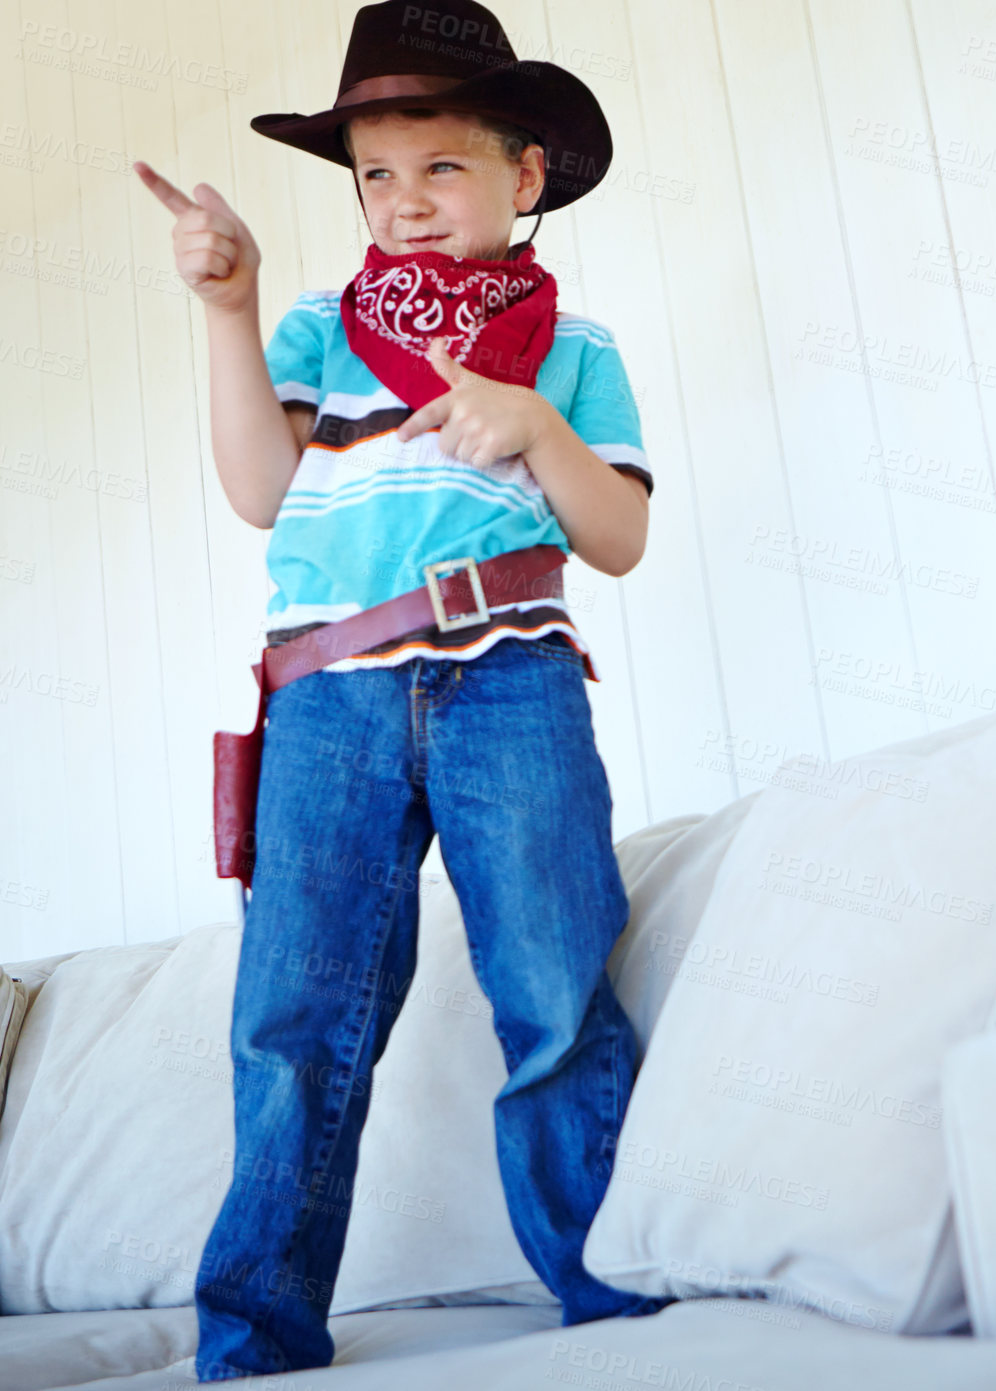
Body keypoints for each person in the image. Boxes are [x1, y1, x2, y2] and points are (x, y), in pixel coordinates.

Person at [134, 0, 669, 1379]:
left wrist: (539, 425)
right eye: (378, 173)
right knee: (296, 1019)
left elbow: (617, 536)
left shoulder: (574, 348)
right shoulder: (318, 326)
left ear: (523, 175)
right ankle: (253, 1339)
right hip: (328, 699)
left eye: (443, 167)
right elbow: (262, 491)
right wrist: (230, 307)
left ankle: (607, 1305)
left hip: (512, 684)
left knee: (551, 988)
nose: (409, 201)